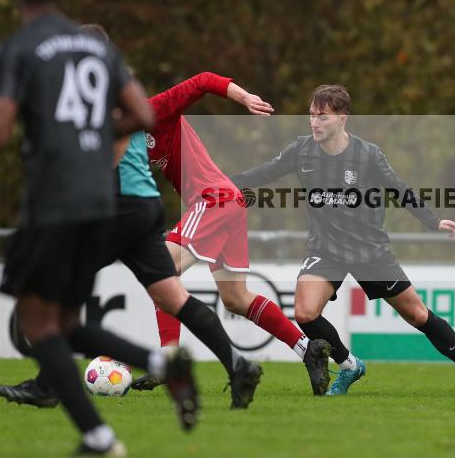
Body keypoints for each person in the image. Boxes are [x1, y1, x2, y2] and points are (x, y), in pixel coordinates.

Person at [0, 0, 198, 458]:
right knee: (62, 324)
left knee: (36, 324)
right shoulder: (97, 51)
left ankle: (101, 432)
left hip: (53, 200)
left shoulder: (17, 49)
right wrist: (94, 131)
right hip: (98, 199)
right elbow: (144, 116)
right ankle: (156, 371)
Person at [0, 24, 264, 411]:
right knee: (173, 296)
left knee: (50, 294)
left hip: (114, 207)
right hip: (143, 207)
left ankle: (50, 384)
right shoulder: (123, 83)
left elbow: (110, 146)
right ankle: (238, 366)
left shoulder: (91, 88)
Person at [228, 85, 455, 396]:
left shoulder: (367, 154)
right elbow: (262, 173)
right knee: (305, 312)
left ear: (342, 119)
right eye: (311, 115)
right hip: (326, 248)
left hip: (369, 250)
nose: (314, 122)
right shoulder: (301, 150)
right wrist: (217, 184)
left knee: (418, 315)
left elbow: (399, 189)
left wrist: (433, 221)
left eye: (322, 116)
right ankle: (349, 365)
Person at [134, 69, 332, 395]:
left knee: (161, 270)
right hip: (227, 202)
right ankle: (306, 349)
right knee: (236, 299)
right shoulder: (117, 135)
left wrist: (244, 98)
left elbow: (202, 81)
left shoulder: (153, 110)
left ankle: (169, 359)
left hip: (214, 200)